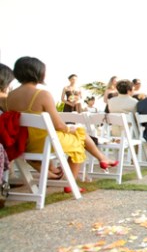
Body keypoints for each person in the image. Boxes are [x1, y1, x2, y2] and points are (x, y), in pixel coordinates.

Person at [5, 57, 118, 186]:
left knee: (78, 134)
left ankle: (101, 159)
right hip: (44, 142)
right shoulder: (42, 94)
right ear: (39, 73)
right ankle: (70, 184)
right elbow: (58, 125)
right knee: (79, 139)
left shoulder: (10, 96)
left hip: (23, 142)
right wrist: (70, 129)